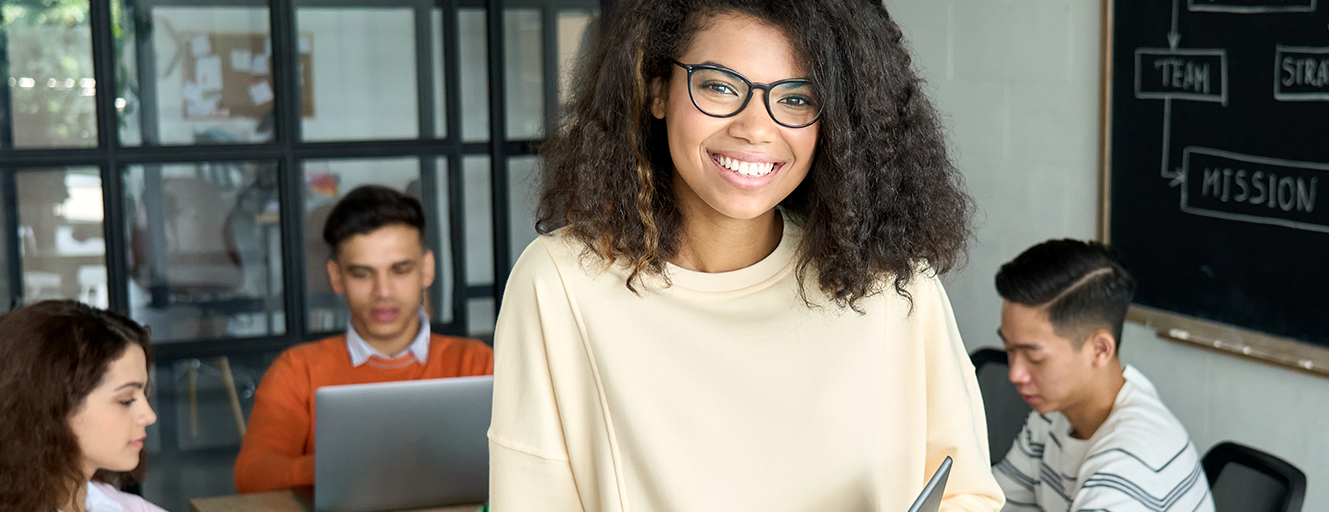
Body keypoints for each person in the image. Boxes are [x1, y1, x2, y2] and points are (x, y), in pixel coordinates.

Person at [488, 0, 1000, 510]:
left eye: (798, 99)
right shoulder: (560, 282)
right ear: (658, 89)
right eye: (718, 86)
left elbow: (966, 492)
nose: (756, 128)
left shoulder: (890, 285)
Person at [234, 185, 495, 492]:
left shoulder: (477, 363)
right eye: (362, 273)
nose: (382, 291)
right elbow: (253, 475)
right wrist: (352, 465)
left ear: (427, 269)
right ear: (336, 277)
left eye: (400, 269)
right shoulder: (297, 369)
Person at [990, 240, 1213, 512]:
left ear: (1100, 350)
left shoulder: (1129, 466)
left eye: (1035, 358)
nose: (1015, 374)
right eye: (1009, 350)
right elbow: (991, 503)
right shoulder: (1051, 416)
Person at [0, 300, 164, 512]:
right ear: (52, 406)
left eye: (144, 394)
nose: (149, 416)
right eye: (126, 400)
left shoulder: (120, 505)